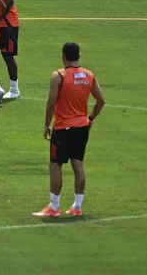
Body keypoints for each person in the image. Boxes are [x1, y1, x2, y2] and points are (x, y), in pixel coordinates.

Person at [33, 42, 105, 218]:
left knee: (55, 165)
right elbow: (101, 100)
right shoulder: (89, 75)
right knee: (77, 163)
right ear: (79, 55)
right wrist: (90, 118)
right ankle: (77, 206)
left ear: (63, 56)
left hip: (63, 127)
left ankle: (54, 207)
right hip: (82, 126)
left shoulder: (58, 76)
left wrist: (46, 125)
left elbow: (51, 102)